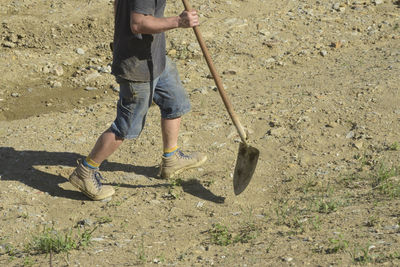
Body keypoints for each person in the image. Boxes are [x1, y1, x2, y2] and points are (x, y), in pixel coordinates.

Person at [68, 0, 207, 201]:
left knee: (174, 101)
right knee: (126, 126)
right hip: (138, 68)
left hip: (154, 58)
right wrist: (179, 21)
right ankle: (85, 172)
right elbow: (138, 24)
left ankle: (171, 158)